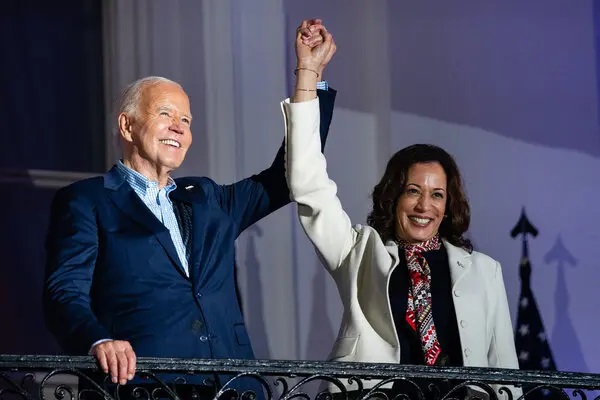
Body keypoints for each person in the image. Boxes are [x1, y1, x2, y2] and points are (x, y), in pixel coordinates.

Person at [43, 18, 336, 397]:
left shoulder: (208, 198)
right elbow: (64, 293)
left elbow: (289, 174)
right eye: (165, 114)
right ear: (127, 126)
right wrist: (97, 341)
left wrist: (309, 75)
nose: (179, 127)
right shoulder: (87, 200)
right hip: (145, 386)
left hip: (233, 387)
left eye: (186, 120)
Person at [282, 25, 519, 400]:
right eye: (413, 191)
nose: (425, 206)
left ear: (448, 206)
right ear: (393, 197)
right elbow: (307, 183)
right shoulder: (359, 253)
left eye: (437, 195)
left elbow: (506, 374)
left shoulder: (485, 271)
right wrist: (308, 73)